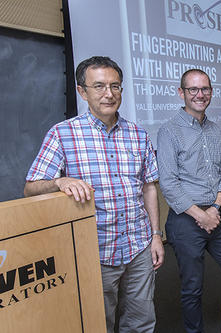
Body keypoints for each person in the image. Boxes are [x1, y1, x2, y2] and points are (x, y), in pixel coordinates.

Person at [25, 56, 164, 333]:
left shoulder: (139, 135)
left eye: (115, 86)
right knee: (98, 324)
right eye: (99, 86)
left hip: (138, 247)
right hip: (93, 252)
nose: (109, 94)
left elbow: (149, 186)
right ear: (82, 91)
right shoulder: (63, 134)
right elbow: (30, 188)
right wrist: (59, 182)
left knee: (141, 323)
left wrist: (156, 235)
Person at [157, 69, 221, 333]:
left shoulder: (215, 131)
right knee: (192, 288)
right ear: (181, 93)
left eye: (205, 89)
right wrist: (202, 215)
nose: (200, 94)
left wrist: (216, 209)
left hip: (217, 215)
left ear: (211, 92)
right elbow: (169, 185)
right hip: (186, 220)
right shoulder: (169, 131)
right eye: (193, 89)